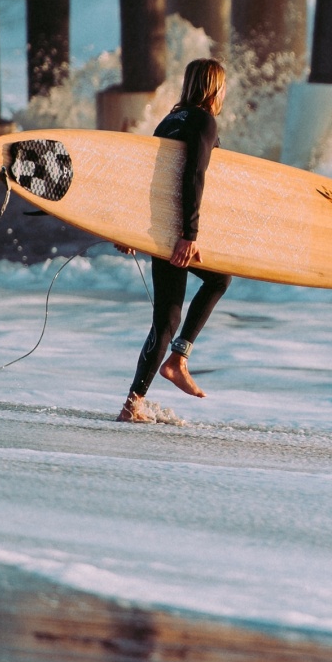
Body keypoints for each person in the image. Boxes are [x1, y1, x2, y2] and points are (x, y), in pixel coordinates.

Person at [116, 59, 231, 423]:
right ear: (214, 89)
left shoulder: (169, 121)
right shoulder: (203, 121)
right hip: (177, 230)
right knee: (219, 279)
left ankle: (133, 403)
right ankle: (178, 358)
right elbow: (193, 176)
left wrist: (131, 230)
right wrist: (188, 235)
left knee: (166, 318)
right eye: (223, 87)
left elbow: (151, 180)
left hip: (158, 227)